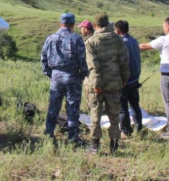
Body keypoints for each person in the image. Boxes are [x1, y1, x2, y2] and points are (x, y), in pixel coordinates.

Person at [41, 13, 88, 146]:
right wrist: (82, 76)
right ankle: (73, 138)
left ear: (60, 23)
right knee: (73, 108)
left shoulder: (50, 38)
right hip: (72, 76)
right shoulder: (76, 39)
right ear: (73, 24)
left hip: (56, 76)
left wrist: (51, 74)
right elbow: (83, 61)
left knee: (53, 108)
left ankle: (49, 134)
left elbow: (43, 59)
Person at [85, 14, 130, 154]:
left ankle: (94, 146)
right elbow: (124, 61)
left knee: (95, 115)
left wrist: (96, 84)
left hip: (97, 85)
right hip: (114, 83)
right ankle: (114, 145)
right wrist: (124, 79)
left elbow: (93, 66)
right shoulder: (117, 40)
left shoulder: (90, 41)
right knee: (114, 115)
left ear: (95, 24)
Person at [114, 20, 143, 137]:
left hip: (125, 79)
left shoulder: (121, 42)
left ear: (118, 30)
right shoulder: (134, 40)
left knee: (122, 107)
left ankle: (125, 131)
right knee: (135, 105)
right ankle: (138, 128)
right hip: (135, 78)